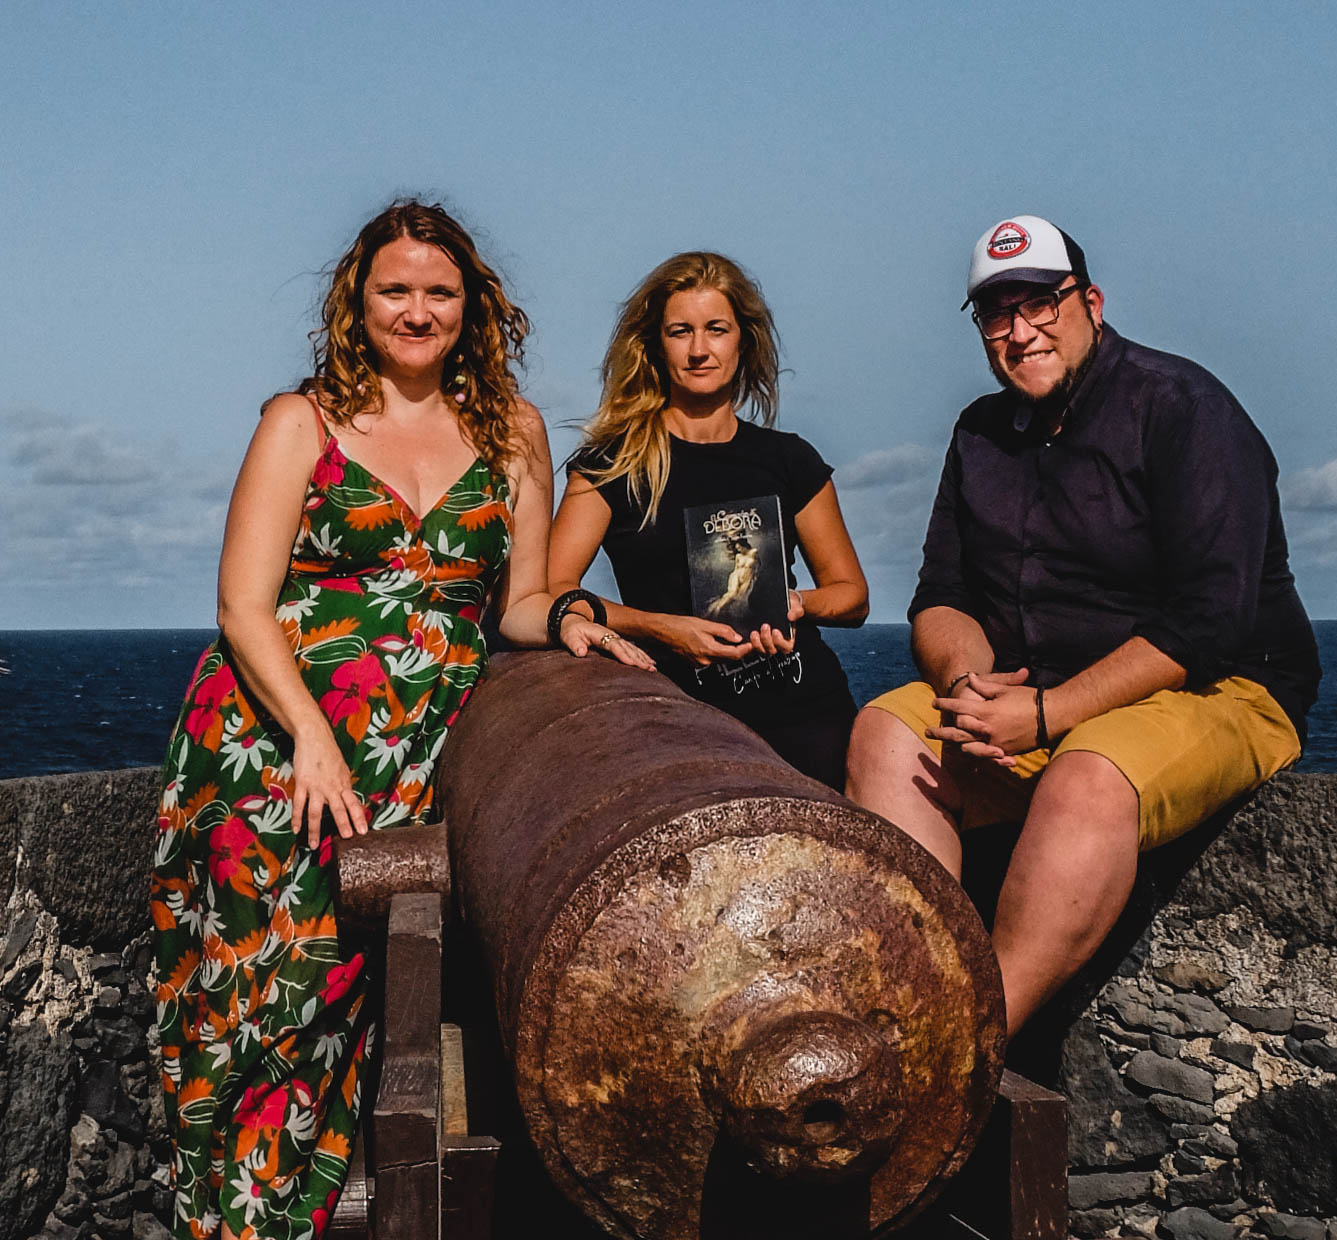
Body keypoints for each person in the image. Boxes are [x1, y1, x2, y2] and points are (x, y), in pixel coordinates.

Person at [150, 200, 649, 1240]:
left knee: (341, 988)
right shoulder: (302, 420)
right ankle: (232, 1222)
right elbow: (243, 603)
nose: (416, 310)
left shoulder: (509, 428)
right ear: (357, 301)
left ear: (472, 306)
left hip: (415, 744)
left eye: (438, 291)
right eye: (395, 290)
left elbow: (512, 601)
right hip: (272, 742)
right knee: (255, 992)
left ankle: (289, 1208)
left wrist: (573, 618)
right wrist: (314, 737)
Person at [846, 215, 1320, 1039]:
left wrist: (1048, 716)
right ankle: (908, 1006)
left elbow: (1209, 622)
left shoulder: (1184, 409)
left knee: (1088, 775)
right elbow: (942, 595)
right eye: (997, 314)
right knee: (887, 731)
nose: (1020, 331)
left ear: (1091, 302)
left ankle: (968, 1043)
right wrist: (964, 685)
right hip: (1042, 692)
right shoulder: (980, 433)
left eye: (1041, 304)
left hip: (1222, 688)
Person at [549, 251, 868, 790]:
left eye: (716, 329)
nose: (699, 350)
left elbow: (852, 596)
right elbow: (553, 590)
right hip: (683, 722)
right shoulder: (611, 466)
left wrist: (796, 603)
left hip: (809, 712)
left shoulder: (789, 460)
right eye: (681, 332)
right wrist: (659, 628)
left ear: (743, 341)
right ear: (655, 345)